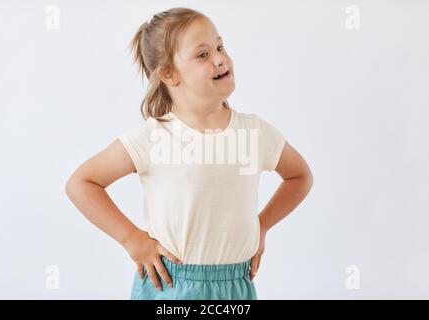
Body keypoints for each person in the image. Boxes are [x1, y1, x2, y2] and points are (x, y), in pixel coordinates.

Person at [65, 7, 313, 300]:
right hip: (172, 284)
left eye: (220, 47)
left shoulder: (254, 132)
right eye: (203, 54)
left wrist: (262, 225)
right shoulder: (154, 136)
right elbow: (81, 183)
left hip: (235, 285)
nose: (220, 58)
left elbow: (299, 176)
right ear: (169, 73)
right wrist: (132, 239)